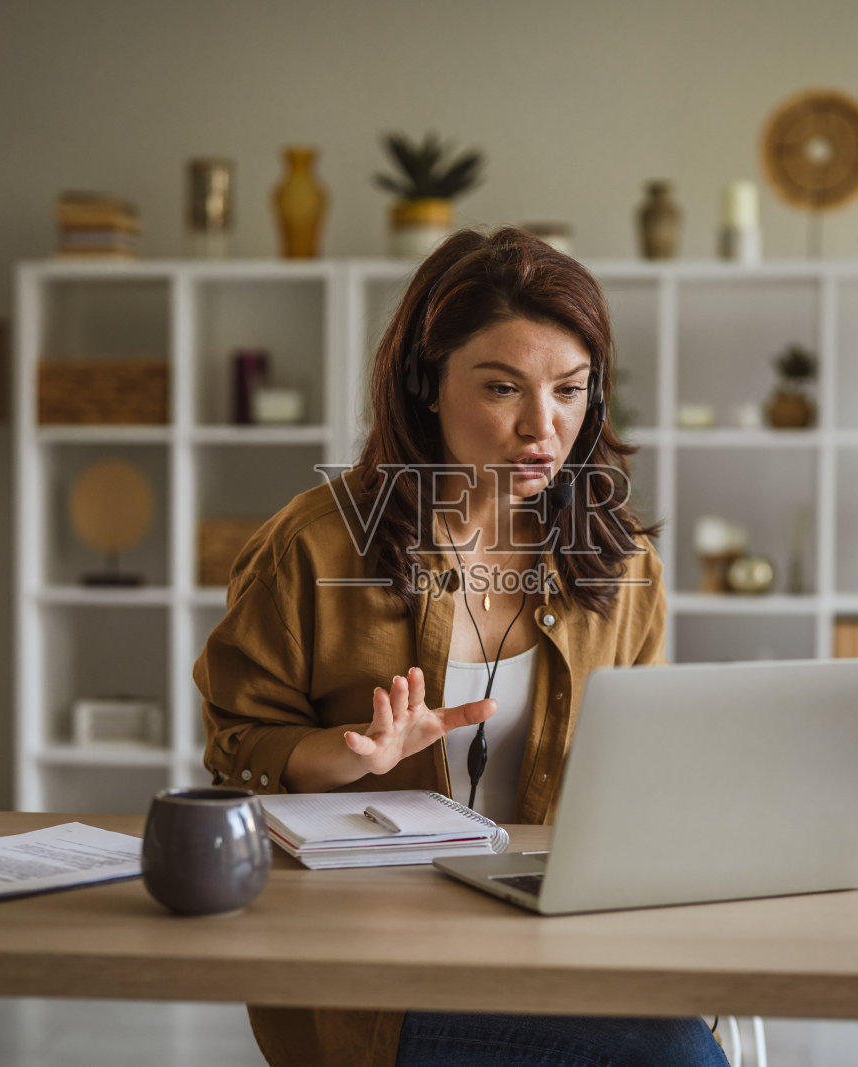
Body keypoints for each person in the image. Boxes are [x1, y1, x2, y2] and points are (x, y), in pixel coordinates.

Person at [196, 226, 726, 1067]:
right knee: (671, 1057)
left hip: (561, 942)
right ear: (426, 384)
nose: (540, 428)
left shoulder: (620, 562)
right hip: (380, 973)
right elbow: (236, 751)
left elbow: (647, 765)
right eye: (502, 387)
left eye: (570, 390)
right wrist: (351, 754)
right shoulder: (314, 548)